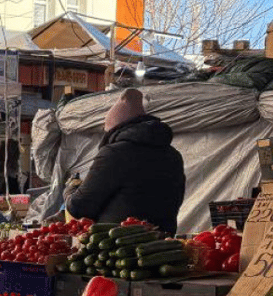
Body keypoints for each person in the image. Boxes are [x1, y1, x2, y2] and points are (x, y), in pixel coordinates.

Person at [65, 88, 186, 235]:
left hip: (118, 247)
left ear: (115, 130)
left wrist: (70, 191)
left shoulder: (114, 154)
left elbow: (80, 207)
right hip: (163, 246)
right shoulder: (174, 156)